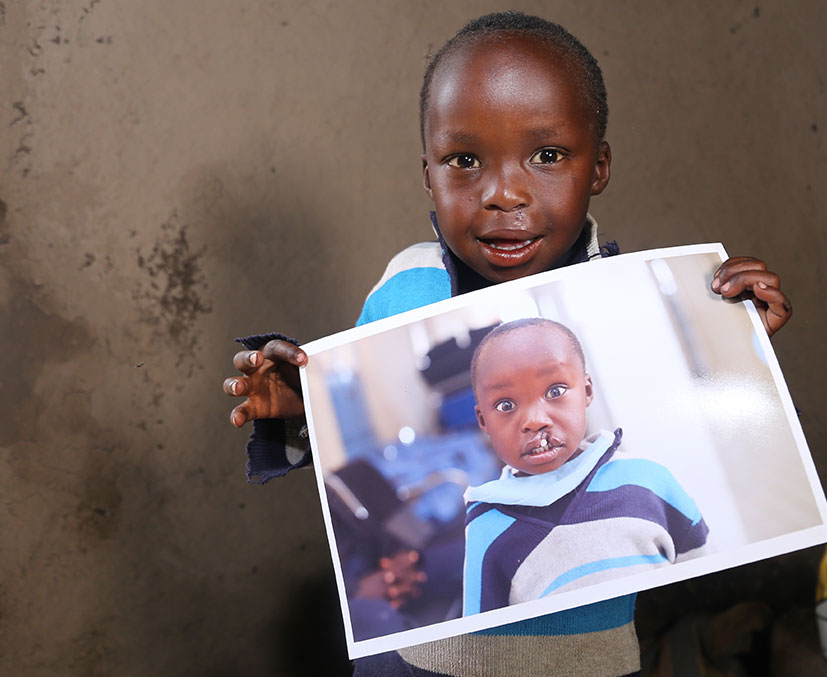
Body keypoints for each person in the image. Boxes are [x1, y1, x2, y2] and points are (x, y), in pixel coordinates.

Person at [223, 11, 792, 676]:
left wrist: (745, 342)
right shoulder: (403, 290)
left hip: (589, 662)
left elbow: (702, 522)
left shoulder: (624, 298)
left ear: (599, 165)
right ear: (428, 172)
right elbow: (361, 459)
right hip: (422, 662)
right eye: (464, 160)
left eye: (546, 155)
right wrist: (302, 410)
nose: (503, 192)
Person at [462, 318, 709, 616]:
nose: (534, 420)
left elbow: (705, 574)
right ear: (482, 421)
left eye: (555, 391)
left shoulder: (648, 480)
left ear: (587, 390)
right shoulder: (486, 524)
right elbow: (485, 639)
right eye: (505, 405)